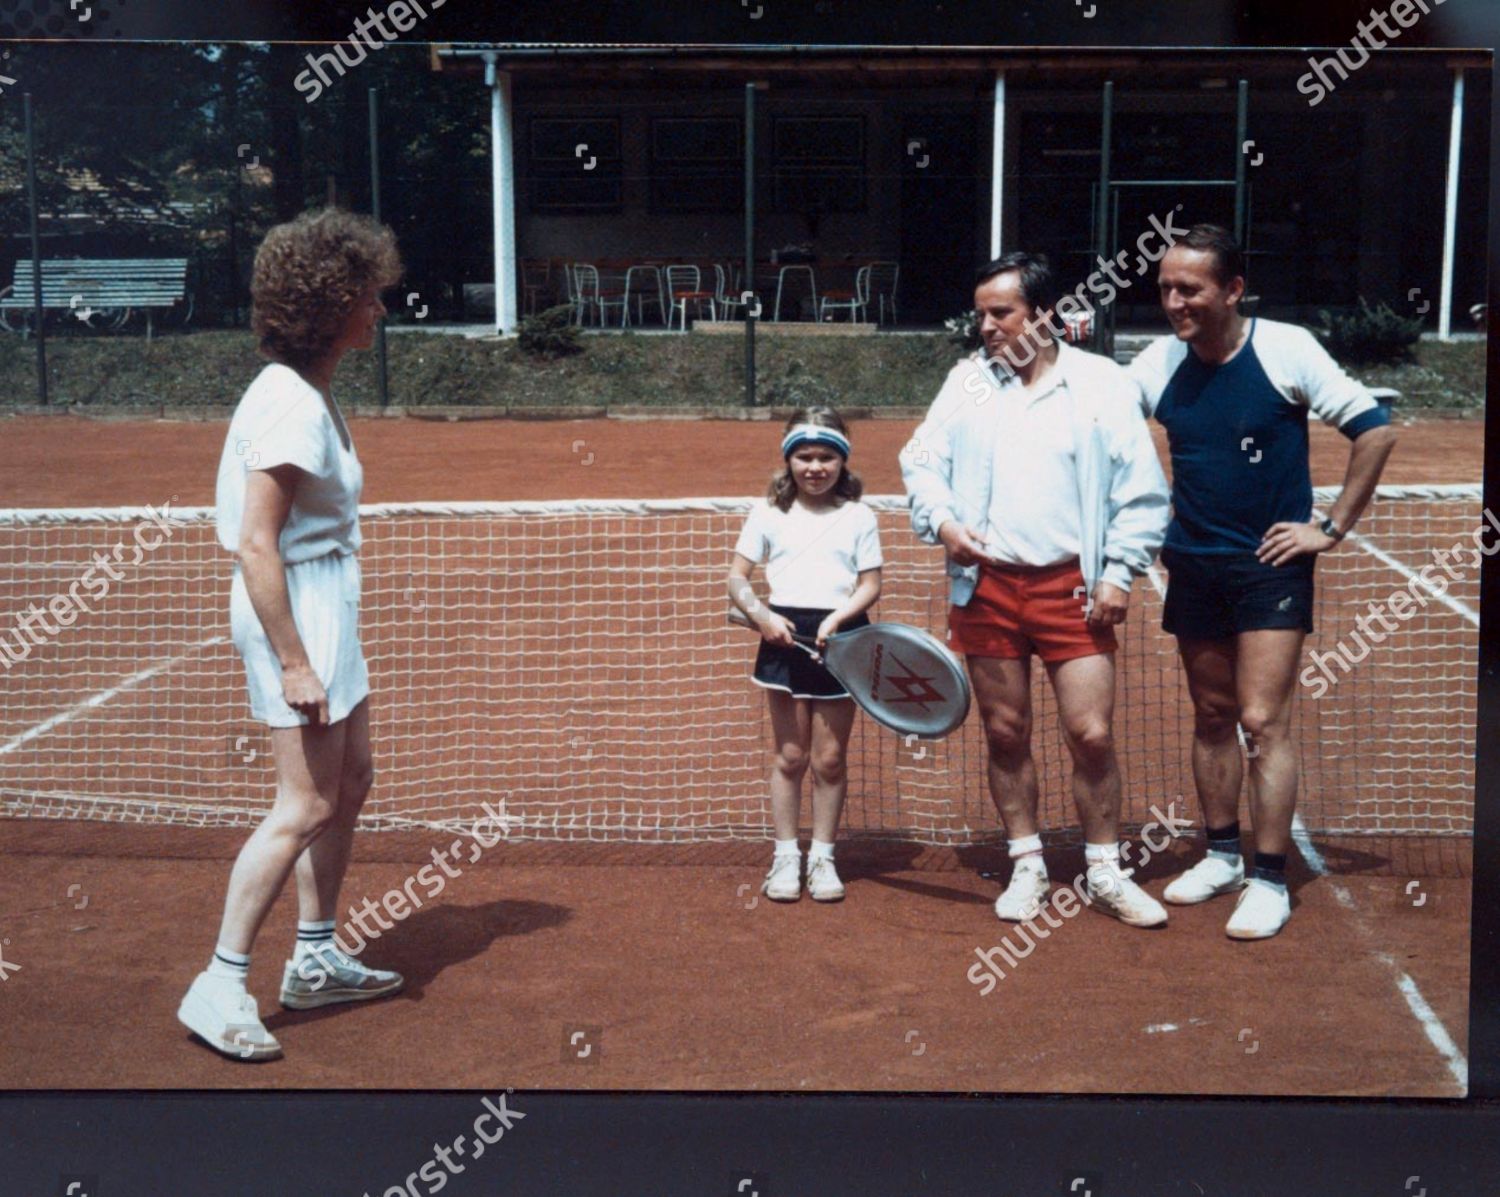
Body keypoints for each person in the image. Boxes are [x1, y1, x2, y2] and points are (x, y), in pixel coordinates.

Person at [177, 208, 405, 1061]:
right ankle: (220, 981)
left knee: (351, 779)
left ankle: (313, 956)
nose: (379, 312)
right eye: (369, 298)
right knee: (304, 800)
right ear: (332, 300)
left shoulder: (310, 391)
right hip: (293, 607)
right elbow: (255, 543)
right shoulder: (288, 405)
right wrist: (296, 661)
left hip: (324, 598)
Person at [1128, 224, 1397, 940]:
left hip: (1270, 564)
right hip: (1193, 561)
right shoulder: (1156, 363)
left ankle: (1270, 878)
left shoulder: (1286, 349)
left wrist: (1330, 527)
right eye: (1165, 288)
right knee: (1212, 714)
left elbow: (1375, 430)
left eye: (1190, 288)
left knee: (1261, 719)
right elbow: (1103, 436)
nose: (1174, 301)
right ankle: (1220, 853)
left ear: (1233, 289)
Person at [901, 252, 1171, 928]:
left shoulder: (1101, 383)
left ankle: (1103, 868)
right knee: (1005, 729)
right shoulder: (967, 382)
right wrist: (944, 522)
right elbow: (920, 459)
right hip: (986, 587)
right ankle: (1027, 863)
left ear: (1044, 314)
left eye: (1002, 312)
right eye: (982, 313)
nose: (987, 325)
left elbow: (1143, 492)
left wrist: (1117, 573)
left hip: (1072, 591)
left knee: (1091, 732)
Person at [727, 407, 883, 903]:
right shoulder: (768, 512)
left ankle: (823, 857)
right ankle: (786, 857)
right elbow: (736, 579)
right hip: (784, 636)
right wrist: (762, 617)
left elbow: (871, 584)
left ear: (843, 461)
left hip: (843, 638)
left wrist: (839, 619)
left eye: (826, 457)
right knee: (791, 756)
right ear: (788, 459)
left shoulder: (859, 515)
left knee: (830, 759)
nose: (815, 467)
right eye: (804, 457)